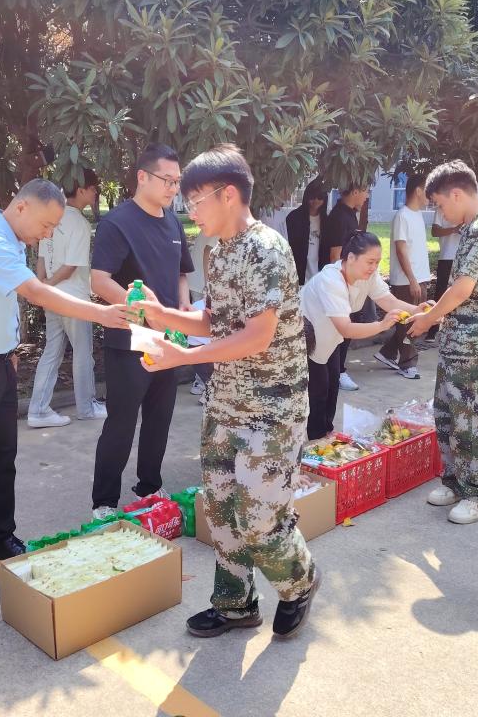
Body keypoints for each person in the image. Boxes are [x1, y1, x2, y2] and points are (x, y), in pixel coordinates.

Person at [135, 144, 320, 639]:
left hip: (272, 408)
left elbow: (257, 335)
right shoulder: (218, 252)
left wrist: (181, 358)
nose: (190, 213)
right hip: (226, 402)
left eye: (195, 202)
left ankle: (300, 581)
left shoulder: (266, 249)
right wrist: (162, 315)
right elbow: (217, 321)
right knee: (220, 510)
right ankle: (236, 605)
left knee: (259, 519)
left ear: (229, 194)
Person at [0, 179, 128, 570]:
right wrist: (101, 313)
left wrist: (8, 350)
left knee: (3, 458)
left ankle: (0, 538)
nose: (49, 234)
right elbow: (35, 292)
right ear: (21, 207)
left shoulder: (12, 240)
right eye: (47, 224)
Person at [89, 144, 194, 519]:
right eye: (167, 180)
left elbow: (182, 273)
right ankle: (104, 502)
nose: (173, 188)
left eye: (177, 182)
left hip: (169, 337)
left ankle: (149, 485)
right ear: (142, 177)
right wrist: (145, 313)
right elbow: (99, 280)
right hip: (130, 339)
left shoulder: (173, 222)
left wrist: (182, 306)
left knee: (159, 417)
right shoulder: (118, 223)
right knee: (121, 421)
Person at [408, 161, 478, 524]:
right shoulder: (471, 229)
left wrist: (428, 319)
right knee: (449, 416)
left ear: (456, 194)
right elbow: (462, 291)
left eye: (439, 205)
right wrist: (437, 311)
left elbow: (463, 289)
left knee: (475, 422)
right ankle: (454, 482)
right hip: (461, 342)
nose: (440, 213)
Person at [300, 232, 410, 439]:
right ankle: (315, 441)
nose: (374, 267)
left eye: (377, 262)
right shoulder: (330, 280)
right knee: (317, 390)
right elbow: (346, 328)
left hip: (330, 336)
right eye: (370, 261)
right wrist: (381, 325)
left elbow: (390, 301)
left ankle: (326, 434)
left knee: (332, 386)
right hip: (306, 338)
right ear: (350, 257)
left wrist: (422, 311)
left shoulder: (367, 276)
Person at [28, 169, 106, 427]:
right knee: (83, 353)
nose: (96, 193)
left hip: (52, 299)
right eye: (93, 189)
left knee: (52, 352)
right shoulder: (79, 223)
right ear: (81, 189)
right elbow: (71, 266)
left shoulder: (54, 217)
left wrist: (42, 287)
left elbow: (42, 258)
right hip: (73, 300)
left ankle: (38, 410)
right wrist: (46, 288)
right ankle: (86, 407)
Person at [375, 173, 430, 380]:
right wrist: (412, 280)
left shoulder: (417, 215)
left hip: (419, 278)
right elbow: (401, 249)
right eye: (427, 190)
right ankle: (407, 363)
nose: (430, 196)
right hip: (407, 281)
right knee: (409, 324)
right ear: (418, 191)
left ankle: (387, 353)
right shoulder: (402, 216)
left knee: (409, 321)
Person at [322, 184, 370, 392]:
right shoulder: (339, 217)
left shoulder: (349, 214)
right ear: (355, 191)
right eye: (366, 191)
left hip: (348, 280)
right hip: (339, 283)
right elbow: (335, 254)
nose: (367, 196)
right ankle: (338, 372)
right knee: (341, 328)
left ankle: (338, 370)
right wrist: (342, 284)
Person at [186, 230, 218, 399]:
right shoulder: (223, 226)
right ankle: (204, 384)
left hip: (199, 283)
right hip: (202, 285)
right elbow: (208, 250)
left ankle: (204, 384)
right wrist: (209, 286)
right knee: (206, 334)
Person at [427, 202, 462, 342]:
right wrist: (454, 229)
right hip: (446, 257)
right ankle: (433, 330)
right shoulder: (441, 208)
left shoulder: (468, 208)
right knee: (441, 294)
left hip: (464, 257)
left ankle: (455, 330)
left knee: (461, 294)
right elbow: (435, 231)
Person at [286, 177, 330, 286]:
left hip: (319, 270)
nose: (316, 201)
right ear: (306, 196)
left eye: (320, 197)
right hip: (298, 270)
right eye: (312, 197)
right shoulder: (294, 218)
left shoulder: (326, 221)